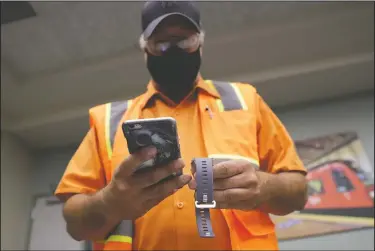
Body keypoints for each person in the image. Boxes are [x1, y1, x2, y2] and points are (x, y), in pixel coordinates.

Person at [55, 1, 308, 250]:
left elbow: (298, 192)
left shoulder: (246, 101)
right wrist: (108, 203)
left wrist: (264, 187)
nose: (172, 50)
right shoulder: (108, 121)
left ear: (201, 43)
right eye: (161, 43)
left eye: (184, 40)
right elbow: (75, 225)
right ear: (145, 50)